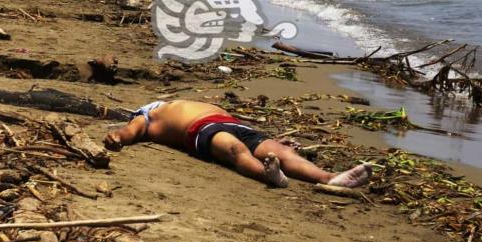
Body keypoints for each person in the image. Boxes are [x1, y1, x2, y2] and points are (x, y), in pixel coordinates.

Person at [103, 100, 372, 189]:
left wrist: (274, 139)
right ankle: (267, 175)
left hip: (234, 123)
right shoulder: (145, 115)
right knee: (235, 151)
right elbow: (129, 131)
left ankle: (331, 178)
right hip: (200, 129)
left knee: (281, 151)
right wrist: (117, 138)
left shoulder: (169, 104)